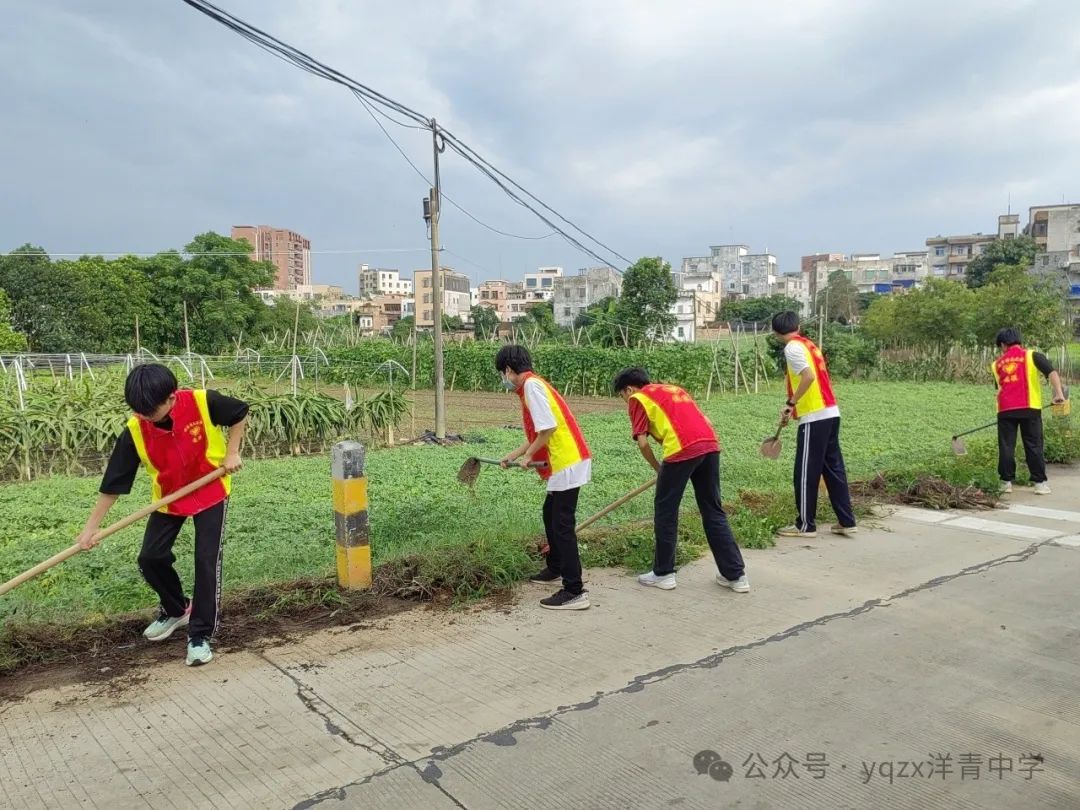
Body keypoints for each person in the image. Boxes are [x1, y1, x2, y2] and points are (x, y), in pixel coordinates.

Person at [75, 364, 248, 667]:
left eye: (149, 412)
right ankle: (177, 608)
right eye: (139, 412)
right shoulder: (135, 429)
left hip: (211, 490)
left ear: (171, 398)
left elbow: (239, 412)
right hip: (170, 498)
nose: (144, 418)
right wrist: (90, 530)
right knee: (150, 558)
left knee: (205, 561)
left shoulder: (201, 401)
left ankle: (200, 635)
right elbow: (113, 485)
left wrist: (232, 453)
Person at [613, 367, 748, 593]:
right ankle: (736, 575)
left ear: (628, 389)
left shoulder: (638, 398)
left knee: (665, 511)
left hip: (681, 450)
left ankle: (663, 574)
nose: (625, 400)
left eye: (622, 395)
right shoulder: (674, 389)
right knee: (713, 510)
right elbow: (704, 418)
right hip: (709, 445)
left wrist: (659, 468)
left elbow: (643, 442)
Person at [496, 345, 592, 611]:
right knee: (549, 513)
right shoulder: (534, 384)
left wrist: (529, 456)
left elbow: (548, 428)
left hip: (567, 462)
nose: (504, 379)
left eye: (502, 373)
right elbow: (536, 434)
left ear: (508, 370)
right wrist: (515, 454)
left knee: (562, 525)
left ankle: (574, 590)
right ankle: (556, 567)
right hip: (566, 461)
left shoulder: (531, 387)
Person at [771, 311, 856, 539]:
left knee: (806, 472)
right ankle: (846, 521)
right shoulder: (809, 345)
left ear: (776, 332)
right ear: (797, 325)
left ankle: (805, 525)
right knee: (833, 468)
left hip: (815, 417)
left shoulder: (792, 348)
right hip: (830, 412)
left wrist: (791, 402)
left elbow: (808, 377)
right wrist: (792, 409)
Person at [992, 327, 1067, 495]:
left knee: (1006, 446)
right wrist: (1059, 394)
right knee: (1034, 445)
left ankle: (1006, 482)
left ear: (1003, 345)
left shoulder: (996, 364)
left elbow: (999, 388)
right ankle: (1039, 483)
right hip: (1029, 408)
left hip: (1005, 410)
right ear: (1019, 341)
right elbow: (1052, 373)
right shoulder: (1032, 355)